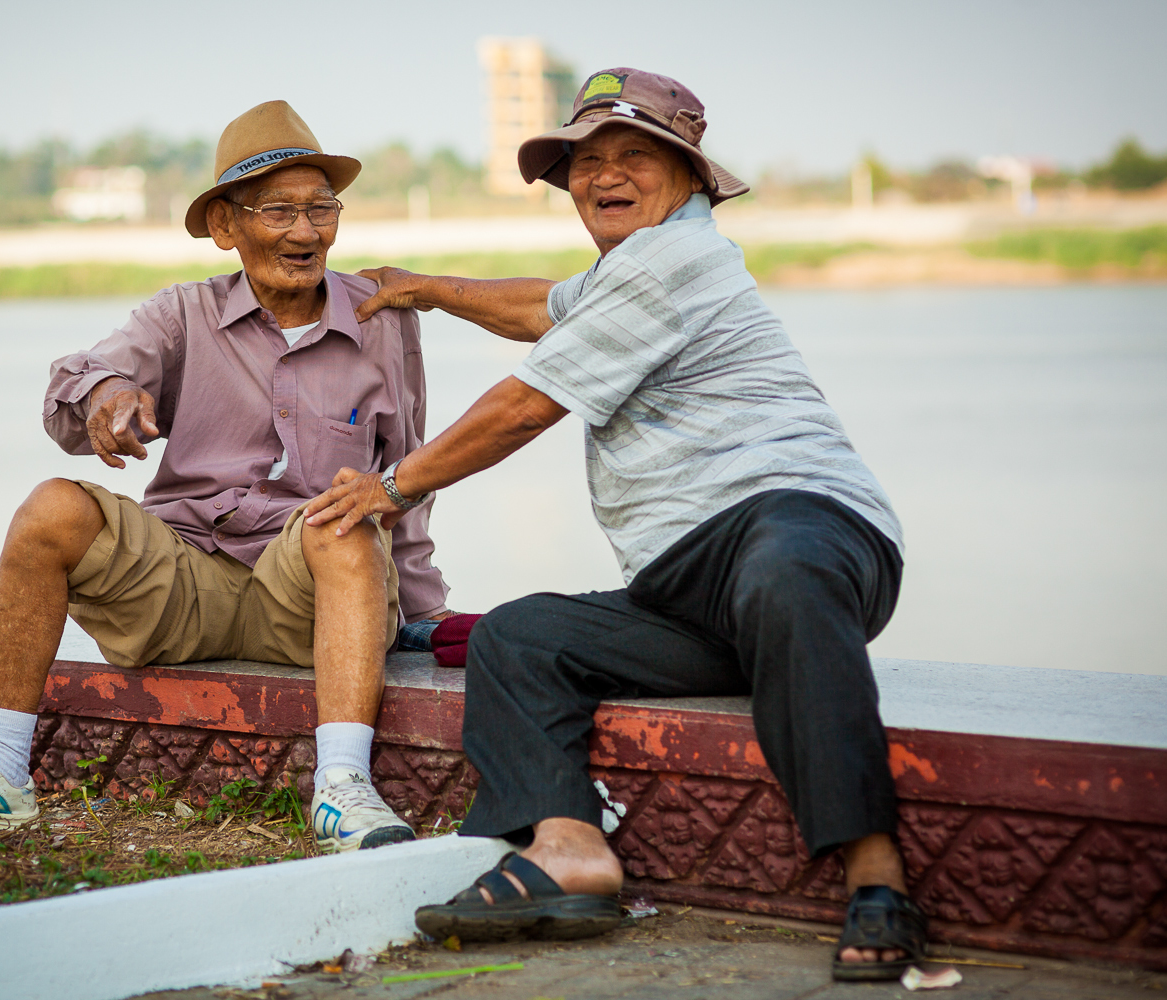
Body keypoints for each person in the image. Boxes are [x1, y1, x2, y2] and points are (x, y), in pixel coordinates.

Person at [304, 68, 926, 979]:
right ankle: (571, 851)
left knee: (780, 571)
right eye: (586, 162)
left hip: (806, 530)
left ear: (691, 176)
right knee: (519, 639)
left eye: (634, 155)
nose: (603, 175)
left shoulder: (678, 261)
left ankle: (878, 876)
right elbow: (539, 308)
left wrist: (391, 487)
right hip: (694, 594)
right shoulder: (621, 275)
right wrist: (427, 288)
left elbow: (525, 407)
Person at [0, 100, 454, 853]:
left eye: (321, 209)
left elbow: (408, 475)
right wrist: (108, 399)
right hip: (184, 583)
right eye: (277, 211)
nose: (305, 233)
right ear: (225, 226)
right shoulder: (183, 315)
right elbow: (78, 379)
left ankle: (343, 790)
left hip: (310, 594)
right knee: (51, 509)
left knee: (346, 517)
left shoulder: (384, 320)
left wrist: (421, 612)